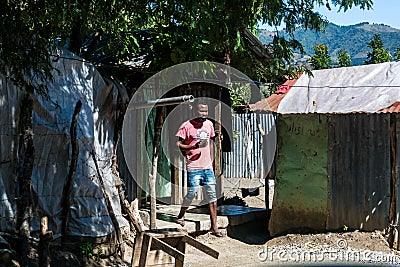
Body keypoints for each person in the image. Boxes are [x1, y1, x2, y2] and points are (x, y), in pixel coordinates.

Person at [174, 98, 222, 237]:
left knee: (212, 197)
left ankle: (214, 227)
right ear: (194, 110)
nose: (204, 114)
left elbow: (211, 143)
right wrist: (192, 147)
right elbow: (178, 144)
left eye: (206, 111)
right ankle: (181, 215)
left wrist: (212, 162)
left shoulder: (209, 124)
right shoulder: (186, 126)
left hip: (208, 167)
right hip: (194, 166)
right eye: (201, 111)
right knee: (192, 193)